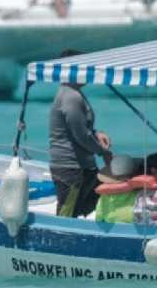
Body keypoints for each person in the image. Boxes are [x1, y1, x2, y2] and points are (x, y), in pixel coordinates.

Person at [48, 50, 114, 217]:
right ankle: (61, 240)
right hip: (70, 167)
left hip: (81, 165)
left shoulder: (73, 93)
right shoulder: (71, 96)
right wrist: (103, 152)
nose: (88, 72)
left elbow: (81, 128)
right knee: (67, 212)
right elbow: (81, 135)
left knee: (89, 203)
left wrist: (96, 133)